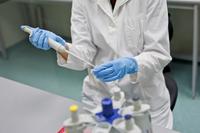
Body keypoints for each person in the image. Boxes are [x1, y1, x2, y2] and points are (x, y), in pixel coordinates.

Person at [26, 0, 173, 129]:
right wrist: (60, 47)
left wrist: (132, 64)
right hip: (100, 97)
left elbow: (158, 53)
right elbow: (84, 53)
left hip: (144, 99)